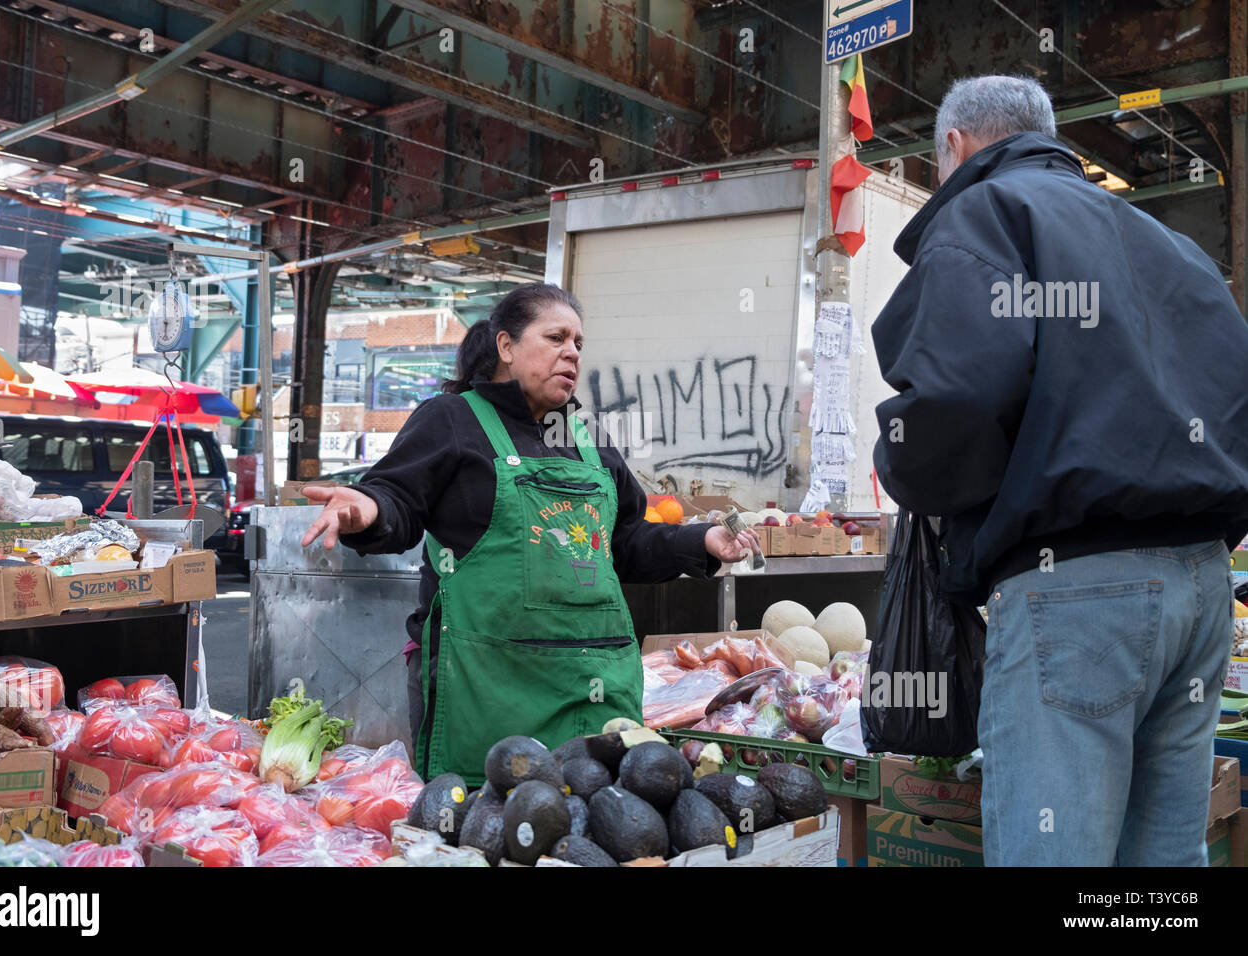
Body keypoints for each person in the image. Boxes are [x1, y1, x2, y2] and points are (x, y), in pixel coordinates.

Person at [871, 74, 1248, 866]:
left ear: (955, 146)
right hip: (1203, 588)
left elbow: (959, 395)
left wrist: (904, 465)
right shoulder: (1168, 245)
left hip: (1076, 597)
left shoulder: (986, 212)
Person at [301, 283, 760, 784]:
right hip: (488, 687)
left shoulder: (588, 442)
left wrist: (700, 542)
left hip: (593, 685)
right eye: (556, 337)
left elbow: (625, 544)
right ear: (506, 347)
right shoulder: (453, 419)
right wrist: (367, 507)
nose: (572, 353)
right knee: (489, 825)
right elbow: (399, 500)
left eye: (579, 344)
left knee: (595, 829)